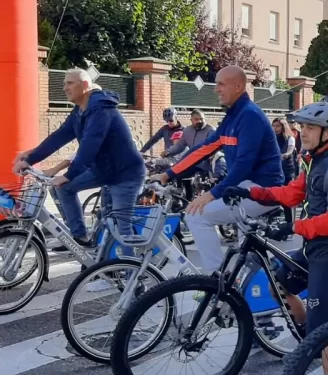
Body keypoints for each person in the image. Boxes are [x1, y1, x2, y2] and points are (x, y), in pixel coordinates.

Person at [222, 101, 328, 374]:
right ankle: (310, 339)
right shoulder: (313, 162)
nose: (303, 133)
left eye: (311, 127)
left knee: (325, 328)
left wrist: (294, 227)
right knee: (279, 283)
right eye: (302, 127)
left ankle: (322, 342)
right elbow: (291, 193)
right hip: (313, 247)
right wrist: (250, 193)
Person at [150, 65, 284, 274]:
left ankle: (217, 280)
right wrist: (168, 174)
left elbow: (243, 166)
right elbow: (203, 149)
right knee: (248, 261)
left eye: (221, 84)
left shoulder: (250, 116)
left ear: (238, 86)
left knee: (195, 216)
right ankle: (247, 291)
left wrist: (212, 194)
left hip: (262, 189)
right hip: (244, 188)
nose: (216, 89)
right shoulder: (232, 117)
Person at [12, 68, 145, 251]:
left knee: (122, 230)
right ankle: (80, 236)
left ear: (84, 85)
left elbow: (90, 145)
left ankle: (132, 275)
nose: (65, 88)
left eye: (70, 83)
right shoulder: (80, 111)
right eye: (64, 83)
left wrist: (69, 174)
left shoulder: (100, 109)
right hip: (103, 170)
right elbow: (59, 137)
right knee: (65, 189)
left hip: (125, 174)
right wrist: (31, 158)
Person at [162, 109, 217, 201]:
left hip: (207, 163)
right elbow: (180, 145)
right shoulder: (188, 130)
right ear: (191, 120)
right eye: (196, 119)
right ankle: (184, 200)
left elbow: (213, 147)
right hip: (192, 162)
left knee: (207, 184)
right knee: (178, 173)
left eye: (201, 119)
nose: (199, 121)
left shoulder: (211, 130)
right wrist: (169, 152)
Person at [272, 118, 298, 225]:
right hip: (275, 170)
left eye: (277, 126)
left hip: (287, 171)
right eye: (273, 126)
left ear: (283, 126)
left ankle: (289, 223)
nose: (275, 128)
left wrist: (287, 153)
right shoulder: (272, 139)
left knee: (286, 197)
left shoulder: (290, 138)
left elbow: (291, 148)